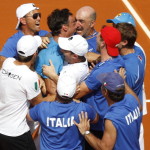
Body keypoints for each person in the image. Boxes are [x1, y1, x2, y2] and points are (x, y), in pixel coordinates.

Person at [74, 26, 125, 150]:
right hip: (107, 122)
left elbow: (76, 93)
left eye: (99, 36)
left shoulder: (101, 72)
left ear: (103, 43)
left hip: (97, 127)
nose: (96, 36)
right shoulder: (118, 60)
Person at [0, 35, 48, 150]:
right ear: (35, 54)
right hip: (16, 133)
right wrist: (55, 95)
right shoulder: (29, 77)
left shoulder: (8, 63)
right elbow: (39, 103)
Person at [106, 13, 146, 150]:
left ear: (124, 42)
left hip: (125, 119)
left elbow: (120, 93)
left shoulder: (127, 68)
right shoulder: (138, 51)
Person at [27, 74, 99, 150]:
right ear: (75, 92)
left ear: (56, 91)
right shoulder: (83, 108)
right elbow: (96, 119)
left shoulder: (43, 107)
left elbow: (29, 116)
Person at [74, 72, 142, 150]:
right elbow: (139, 106)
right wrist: (121, 82)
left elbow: (105, 148)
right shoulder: (132, 100)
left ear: (104, 92)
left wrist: (86, 132)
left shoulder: (112, 118)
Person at [35, 8, 76, 96]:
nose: (77, 25)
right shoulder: (50, 56)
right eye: (74, 22)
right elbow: (51, 92)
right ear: (65, 27)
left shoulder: (69, 43)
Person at [0, 3, 49, 68]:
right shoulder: (13, 41)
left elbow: (55, 36)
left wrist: (42, 38)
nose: (39, 18)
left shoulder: (42, 34)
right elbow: (1, 62)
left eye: (39, 15)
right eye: (35, 16)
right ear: (23, 20)